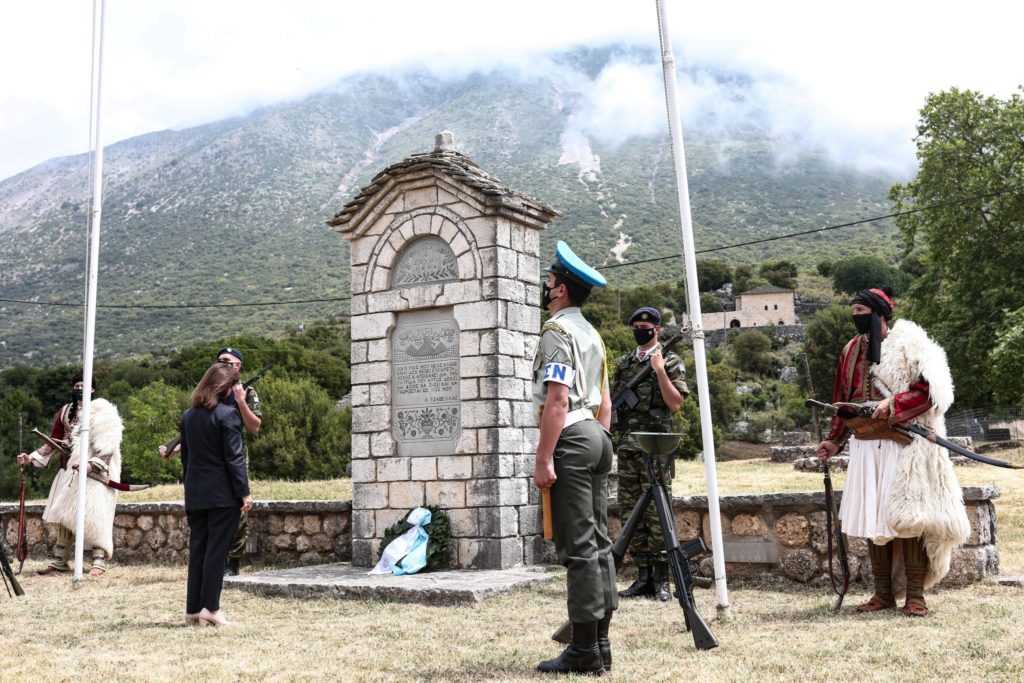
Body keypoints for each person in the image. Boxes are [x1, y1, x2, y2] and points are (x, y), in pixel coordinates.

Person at [815, 287, 969, 617]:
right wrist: (834, 440)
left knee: (909, 517)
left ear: (880, 314)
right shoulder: (850, 350)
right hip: (866, 445)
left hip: (905, 443)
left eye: (861, 310)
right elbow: (843, 401)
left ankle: (915, 596)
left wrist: (893, 403)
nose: (856, 315)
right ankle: (882, 594)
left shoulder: (911, 344)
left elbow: (932, 390)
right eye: (853, 309)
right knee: (875, 517)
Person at [532, 241, 617, 675]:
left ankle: (583, 650)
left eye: (548, 283)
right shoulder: (592, 333)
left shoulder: (557, 332)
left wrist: (545, 457)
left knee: (579, 547)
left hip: (571, 437)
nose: (544, 289)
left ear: (560, 290)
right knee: (600, 542)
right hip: (597, 436)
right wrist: (598, 436)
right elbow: (604, 399)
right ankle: (599, 643)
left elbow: (557, 399)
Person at [160, 346, 262, 576]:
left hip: (233, 455)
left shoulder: (247, 391)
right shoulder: (210, 391)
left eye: (228, 360)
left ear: (239, 365)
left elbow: (254, 427)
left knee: (237, 509)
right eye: (219, 360)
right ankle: (215, 561)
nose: (222, 363)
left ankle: (232, 562)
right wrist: (177, 446)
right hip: (208, 461)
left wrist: (241, 401)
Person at [611, 307, 689, 601]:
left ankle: (661, 579)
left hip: (656, 448)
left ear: (656, 329)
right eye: (636, 326)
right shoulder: (624, 363)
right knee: (631, 512)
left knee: (658, 511)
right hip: (628, 447)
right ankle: (642, 576)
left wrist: (658, 371)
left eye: (645, 326)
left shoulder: (671, 361)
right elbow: (613, 403)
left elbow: (675, 403)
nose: (639, 330)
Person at [17, 375, 122, 576]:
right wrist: (30, 457)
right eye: (77, 385)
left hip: (97, 472)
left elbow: (109, 443)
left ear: (92, 389)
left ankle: (99, 561)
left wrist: (93, 465)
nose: (80, 388)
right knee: (65, 512)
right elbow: (53, 440)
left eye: (84, 385)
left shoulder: (104, 411)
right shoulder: (66, 411)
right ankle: (60, 561)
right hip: (69, 469)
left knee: (96, 513)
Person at [180, 362, 253, 626]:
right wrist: (244, 493)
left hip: (196, 493)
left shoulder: (189, 416)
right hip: (223, 496)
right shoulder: (227, 415)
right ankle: (211, 608)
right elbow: (234, 459)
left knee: (198, 550)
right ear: (227, 387)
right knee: (216, 553)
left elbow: (186, 461)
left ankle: (192, 610)